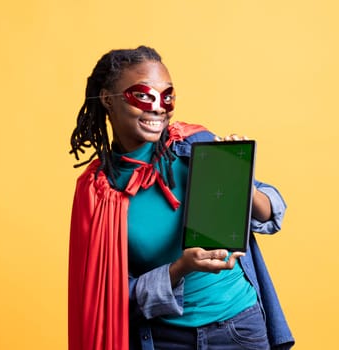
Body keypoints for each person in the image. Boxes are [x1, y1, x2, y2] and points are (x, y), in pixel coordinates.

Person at [68, 46, 294, 350]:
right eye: (144, 96)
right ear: (108, 99)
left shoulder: (193, 144)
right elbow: (110, 299)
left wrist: (240, 180)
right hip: (164, 339)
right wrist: (180, 269)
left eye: (168, 96)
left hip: (240, 327)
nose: (159, 107)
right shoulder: (99, 192)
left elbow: (270, 213)